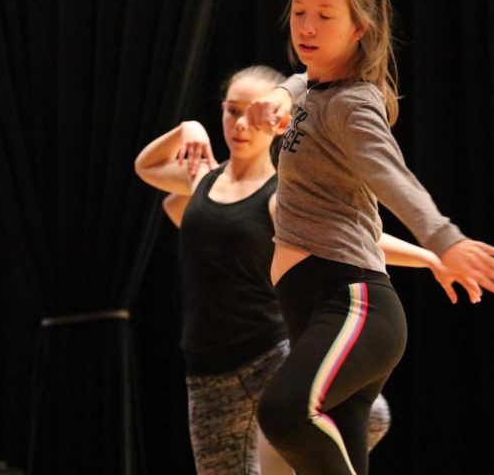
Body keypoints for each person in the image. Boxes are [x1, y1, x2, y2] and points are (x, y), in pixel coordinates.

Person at [250, 0, 494, 475]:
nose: (307, 25)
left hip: (351, 304)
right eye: (299, 10)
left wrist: (444, 239)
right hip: (313, 307)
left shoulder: (353, 103)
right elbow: (302, 80)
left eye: (325, 16)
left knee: (283, 414)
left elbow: (391, 178)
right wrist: (280, 91)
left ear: (359, 29)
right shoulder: (312, 88)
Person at [134, 65, 450, 475]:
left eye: (253, 113)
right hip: (208, 370)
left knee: (366, 416)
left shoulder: (284, 195)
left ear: (279, 121)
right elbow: (146, 167)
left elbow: (361, 239)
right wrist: (186, 128)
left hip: (270, 351)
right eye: (232, 111)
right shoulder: (201, 177)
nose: (241, 124)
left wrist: (429, 257)